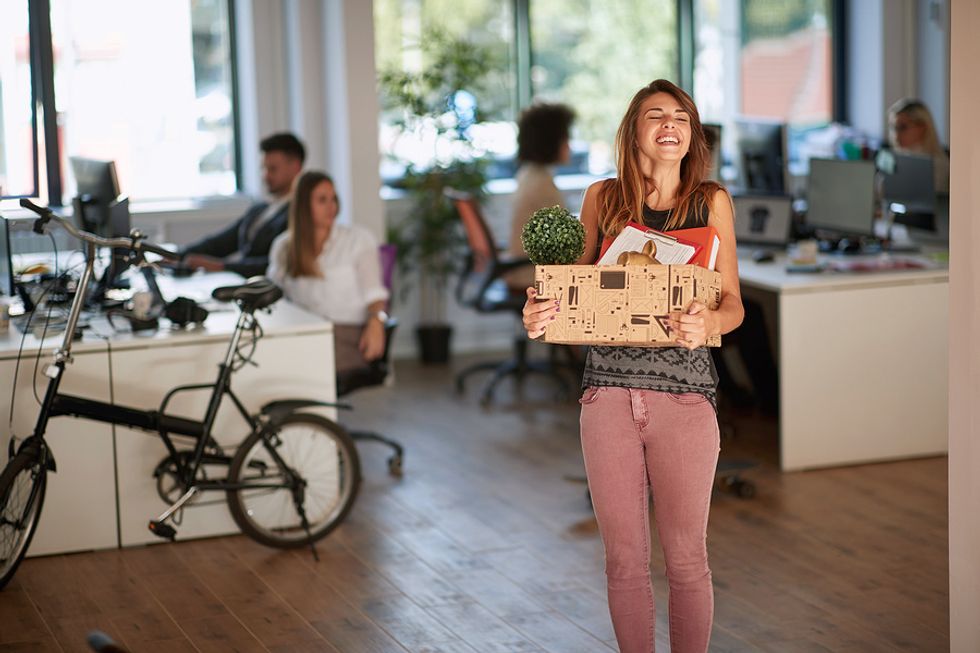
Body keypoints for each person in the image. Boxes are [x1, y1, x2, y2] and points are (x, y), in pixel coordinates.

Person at [522, 79, 744, 653]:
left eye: (681, 117)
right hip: (608, 396)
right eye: (655, 116)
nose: (670, 125)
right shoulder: (602, 198)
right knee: (623, 561)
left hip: (685, 398)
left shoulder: (711, 201)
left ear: (691, 134)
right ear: (634, 131)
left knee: (687, 559)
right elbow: (572, 292)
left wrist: (710, 325)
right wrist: (541, 307)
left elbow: (733, 303)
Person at [267, 171, 388, 374]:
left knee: (296, 367)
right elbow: (273, 293)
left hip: (346, 336)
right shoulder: (284, 246)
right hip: (301, 333)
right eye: (322, 200)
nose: (331, 207)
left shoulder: (357, 240)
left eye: (334, 199)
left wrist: (376, 322)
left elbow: (374, 294)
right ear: (304, 206)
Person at [181, 132, 306, 276]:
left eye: (272, 169)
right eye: (263, 169)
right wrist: (178, 255)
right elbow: (222, 242)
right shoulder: (260, 208)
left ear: (295, 167)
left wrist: (222, 267)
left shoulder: (300, 213)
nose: (265, 176)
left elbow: (277, 263)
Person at [505, 102, 576, 289]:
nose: (569, 144)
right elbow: (565, 244)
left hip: (522, 267)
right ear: (551, 141)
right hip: (530, 273)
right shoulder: (542, 184)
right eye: (566, 137)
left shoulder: (528, 174)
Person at [887, 98, 949, 194]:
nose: (896, 135)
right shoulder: (892, 158)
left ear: (922, 127)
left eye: (903, 127)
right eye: (893, 127)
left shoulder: (937, 165)